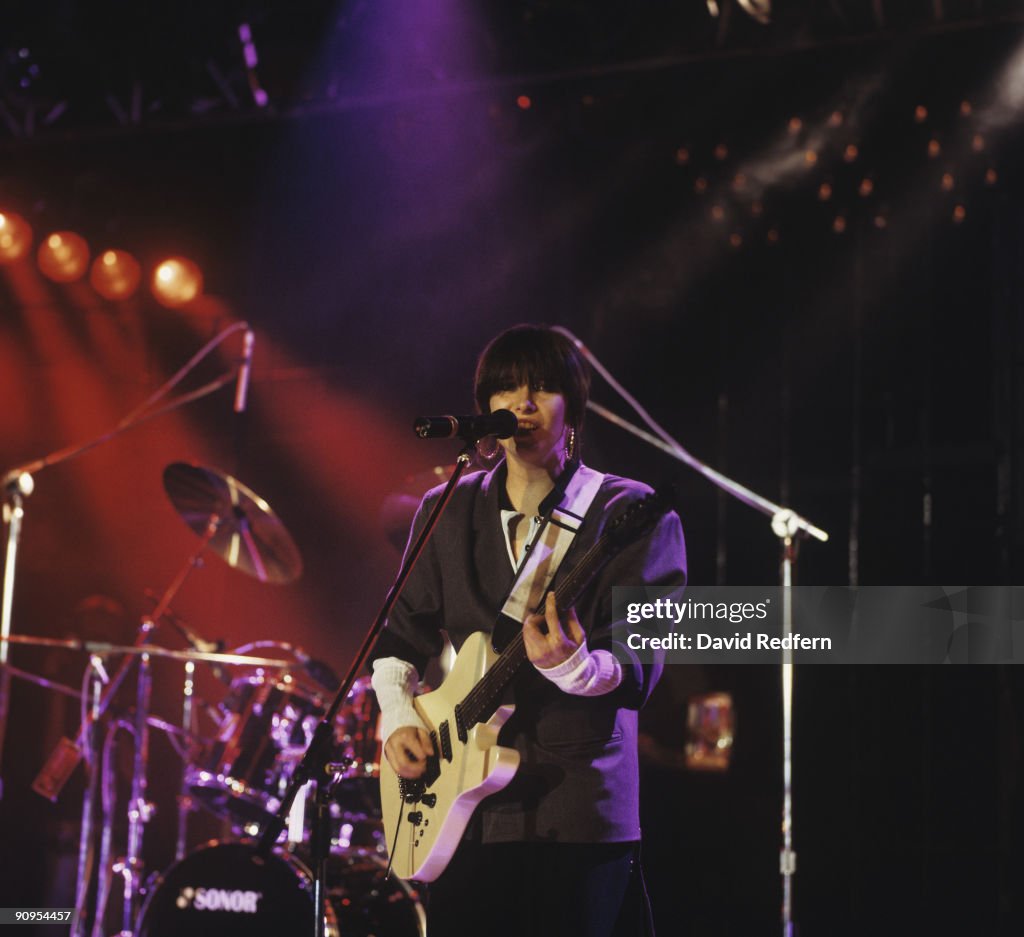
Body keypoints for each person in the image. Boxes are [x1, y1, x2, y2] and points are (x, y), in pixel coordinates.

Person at [370, 324, 687, 937]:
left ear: (572, 404)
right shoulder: (447, 507)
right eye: (506, 390)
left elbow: (643, 660)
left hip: (575, 813)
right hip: (464, 816)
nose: (522, 404)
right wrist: (403, 722)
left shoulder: (629, 511)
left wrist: (574, 665)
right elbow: (397, 639)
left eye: (541, 388)